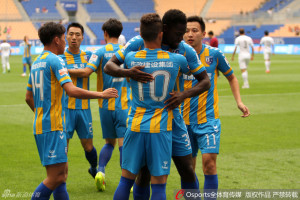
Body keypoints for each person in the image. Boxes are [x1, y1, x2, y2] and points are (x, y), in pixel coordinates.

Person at [105, 9, 210, 199]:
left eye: (184, 33)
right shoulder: (138, 43)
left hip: (173, 117)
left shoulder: (185, 50)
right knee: (144, 174)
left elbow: (205, 81)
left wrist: (184, 95)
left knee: (187, 168)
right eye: (179, 33)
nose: (182, 38)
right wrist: (129, 73)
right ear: (164, 29)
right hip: (154, 119)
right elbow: (110, 65)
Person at [25, 22, 118, 200]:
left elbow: (28, 97)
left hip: (42, 125)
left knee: (62, 175)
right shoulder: (55, 59)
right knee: (56, 177)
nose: (68, 40)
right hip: (54, 125)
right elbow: (71, 90)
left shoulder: (37, 62)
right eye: (64, 37)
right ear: (57, 40)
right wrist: (101, 94)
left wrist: (41, 115)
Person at [184, 16, 250, 199]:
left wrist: (239, 102)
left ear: (203, 34)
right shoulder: (176, 56)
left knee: (210, 164)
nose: (190, 34)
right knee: (189, 168)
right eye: (187, 30)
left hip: (208, 120)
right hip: (183, 121)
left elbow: (232, 77)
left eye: (195, 30)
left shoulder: (214, 54)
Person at [67, 18, 130, 192]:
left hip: (104, 105)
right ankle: (127, 180)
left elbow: (87, 72)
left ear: (105, 33)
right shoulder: (128, 52)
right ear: (120, 33)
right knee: (123, 143)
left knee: (109, 143)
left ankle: (100, 171)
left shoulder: (99, 52)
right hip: (124, 105)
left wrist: (65, 70)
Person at [59, 22, 99, 181]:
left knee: (88, 146)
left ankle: (94, 168)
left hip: (84, 109)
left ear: (83, 37)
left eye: (77, 34)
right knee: (64, 148)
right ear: (66, 36)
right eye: (71, 34)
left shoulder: (88, 56)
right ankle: (61, 181)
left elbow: (88, 73)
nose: (74, 37)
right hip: (65, 109)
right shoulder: (60, 57)